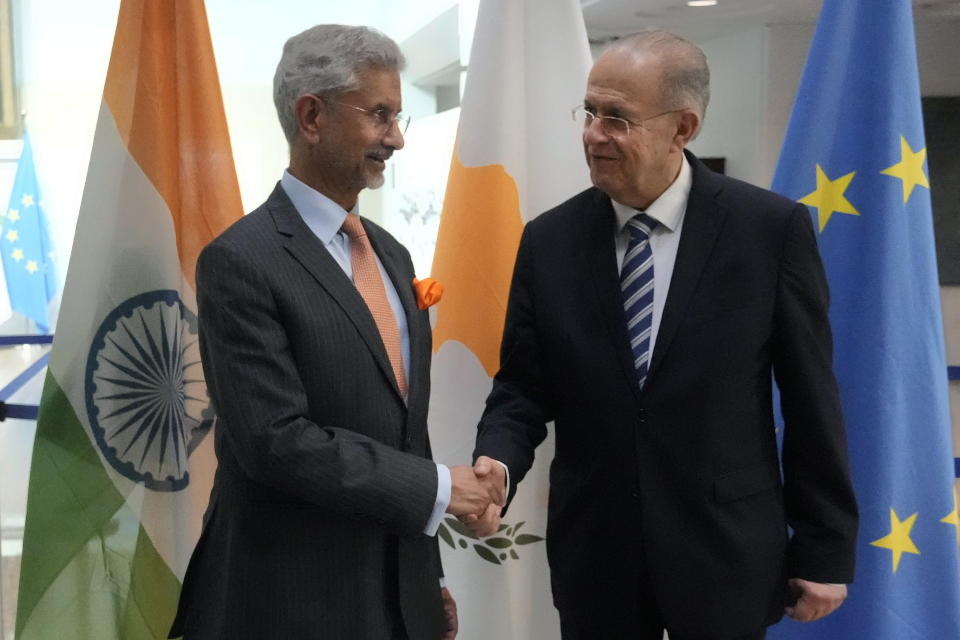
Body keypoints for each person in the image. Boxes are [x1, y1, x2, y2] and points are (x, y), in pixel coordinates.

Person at [465, 30, 858, 640]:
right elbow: (522, 385)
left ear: (683, 128)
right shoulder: (550, 242)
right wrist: (498, 461)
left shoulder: (769, 231)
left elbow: (812, 400)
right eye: (590, 112)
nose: (594, 134)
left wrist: (824, 549)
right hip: (598, 556)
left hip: (726, 553)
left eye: (617, 119)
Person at [169, 24, 503, 640]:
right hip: (291, 599)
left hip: (397, 597)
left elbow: (406, 432)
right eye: (380, 115)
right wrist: (438, 488)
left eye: (398, 116)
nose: (396, 138)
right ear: (312, 116)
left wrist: (425, 579)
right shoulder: (240, 261)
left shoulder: (394, 256)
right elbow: (274, 441)